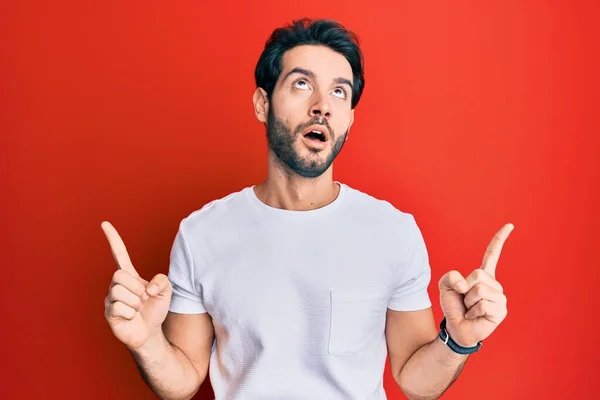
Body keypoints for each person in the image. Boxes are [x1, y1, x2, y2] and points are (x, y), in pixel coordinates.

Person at [102, 18, 514, 400]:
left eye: (339, 91)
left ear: (350, 117)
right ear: (262, 103)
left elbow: (413, 379)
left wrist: (458, 340)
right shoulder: (201, 234)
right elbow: (184, 378)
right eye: (302, 84)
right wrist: (146, 341)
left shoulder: (392, 232)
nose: (323, 105)